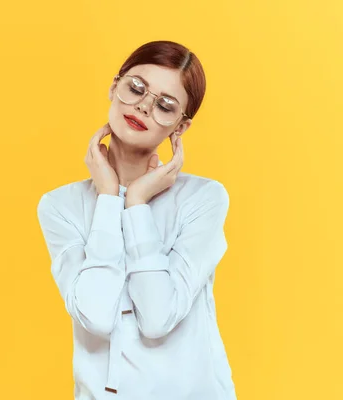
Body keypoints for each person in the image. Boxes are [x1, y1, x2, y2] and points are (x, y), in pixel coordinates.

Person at [36, 40, 236, 400]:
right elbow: (95, 315)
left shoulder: (203, 199)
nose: (143, 106)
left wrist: (137, 204)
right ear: (114, 87)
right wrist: (110, 200)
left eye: (165, 105)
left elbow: (158, 318)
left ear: (181, 126)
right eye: (136, 88)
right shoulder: (60, 206)